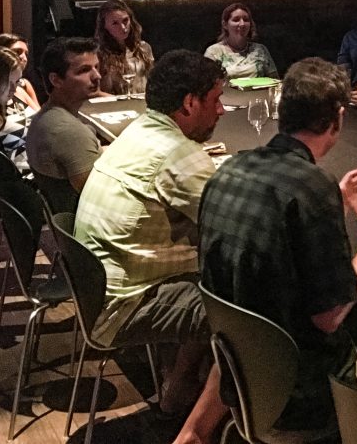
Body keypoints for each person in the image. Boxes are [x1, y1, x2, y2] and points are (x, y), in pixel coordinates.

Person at [199, 58, 357, 436]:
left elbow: (272, 235)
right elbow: (330, 316)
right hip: (299, 394)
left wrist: (334, 203)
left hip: (241, 376)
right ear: (338, 118)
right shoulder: (311, 185)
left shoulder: (228, 170)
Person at [74, 50, 229, 443]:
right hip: (125, 305)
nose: (223, 110)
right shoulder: (176, 153)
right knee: (246, 310)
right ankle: (202, 428)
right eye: (216, 100)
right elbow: (238, 224)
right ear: (189, 103)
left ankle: (177, 390)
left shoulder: (140, 130)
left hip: (100, 290)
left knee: (211, 274)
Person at [25, 37, 104, 215]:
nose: (97, 76)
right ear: (56, 80)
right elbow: (100, 200)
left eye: (96, 67)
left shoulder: (47, 116)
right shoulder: (68, 132)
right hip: (89, 232)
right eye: (84, 70)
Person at [94, 0, 155, 95]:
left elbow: (153, 81)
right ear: (105, 26)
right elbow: (95, 91)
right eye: (115, 23)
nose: (123, 27)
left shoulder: (143, 48)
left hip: (142, 103)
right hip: (114, 105)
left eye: (125, 20)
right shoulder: (99, 54)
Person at [203, 2, 278, 79]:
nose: (242, 24)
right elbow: (206, 84)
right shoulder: (213, 52)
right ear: (225, 24)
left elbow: (275, 81)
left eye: (246, 20)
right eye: (236, 20)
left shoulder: (260, 50)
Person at [0, 32, 41, 120]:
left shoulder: (24, 85)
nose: (24, 58)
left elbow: (40, 116)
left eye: (26, 54)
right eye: (17, 52)